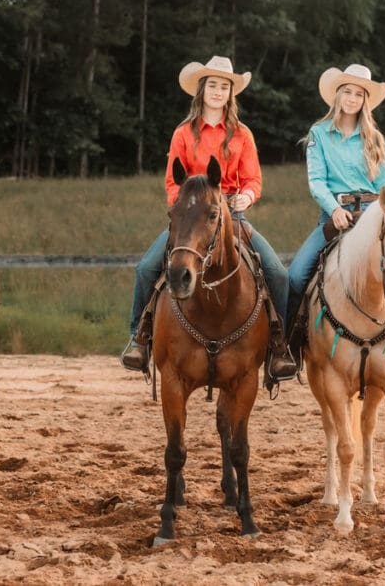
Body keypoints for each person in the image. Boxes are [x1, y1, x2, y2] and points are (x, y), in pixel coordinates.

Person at [120, 56, 298, 380]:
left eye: (224, 87)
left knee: (278, 274)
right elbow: (172, 181)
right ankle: (139, 338)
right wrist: (186, 207)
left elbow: (253, 179)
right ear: (201, 90)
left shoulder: (242, 134)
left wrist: (246, 197)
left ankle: (279, 345)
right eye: (213, 85)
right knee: (146, 268)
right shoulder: (183, 133)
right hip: (191, 217)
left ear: (231, 94)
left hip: (231, 214)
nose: (218, 92)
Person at [287, 64, 385, 364]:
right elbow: (316, 182)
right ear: (337, 95)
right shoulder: (318, 134)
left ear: (364, 101)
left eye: (359, 94)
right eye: (347, 92)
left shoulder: (373, 138)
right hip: (336, 214)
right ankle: (289, 347)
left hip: (375, 214)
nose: (352, 98)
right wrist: (334, 209)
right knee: (296, 276)